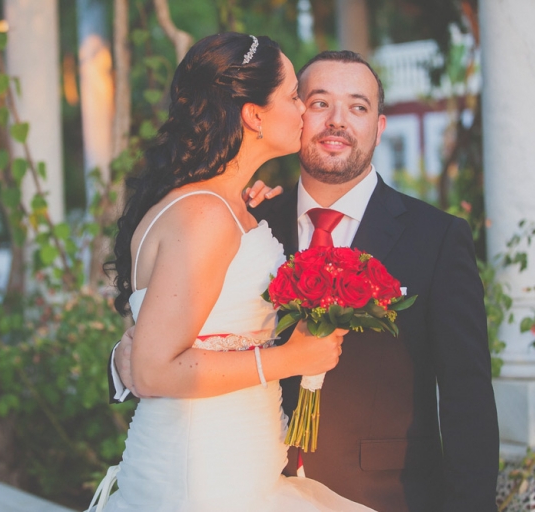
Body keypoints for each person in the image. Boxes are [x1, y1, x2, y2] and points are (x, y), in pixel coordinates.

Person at [112, 50, 500, 512]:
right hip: (236, 479)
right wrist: (123, 359)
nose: (337, 121)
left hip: (381, 497)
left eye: (358, 107)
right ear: (296, 116)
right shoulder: (251, 223)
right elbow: (173, 335)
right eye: (317, 102)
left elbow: (467, 399)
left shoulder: (436, 237)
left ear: (378, 127)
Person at [89, 33, 374, 511]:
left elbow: (177, 332)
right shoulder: (205, 214)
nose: (304, 109)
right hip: (202, 480)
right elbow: (155, 368)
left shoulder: (223, 206)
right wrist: (293, 358)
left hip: (239, 468)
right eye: (292, 96)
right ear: (254, 115)